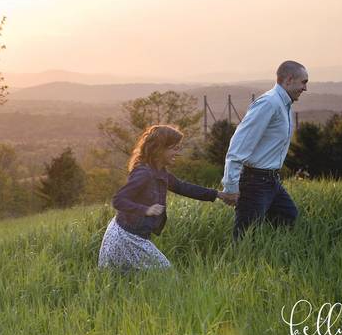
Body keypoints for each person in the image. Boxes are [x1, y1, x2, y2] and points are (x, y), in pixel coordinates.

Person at [98, 124, 237, 270]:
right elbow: (119, 200)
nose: (178, 153)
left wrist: (219, 194)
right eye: (174, 148)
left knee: (132, 279)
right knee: (166, 275)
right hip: (125, 236)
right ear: (159, 149)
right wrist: (146, 209)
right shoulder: (144, 173)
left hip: (133, 235)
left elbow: (183, 187)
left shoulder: (160, 172)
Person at [222, 60, 309, 240]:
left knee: (287, 217)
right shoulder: (269, 103)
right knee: (246, 236)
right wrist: (231, 186)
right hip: (254, 181)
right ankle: (239, 265)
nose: (305, 88)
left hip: (271, 180)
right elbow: (239, 145)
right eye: (304, 82)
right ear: (289, 79)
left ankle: (271, 258)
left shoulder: (284, 105)